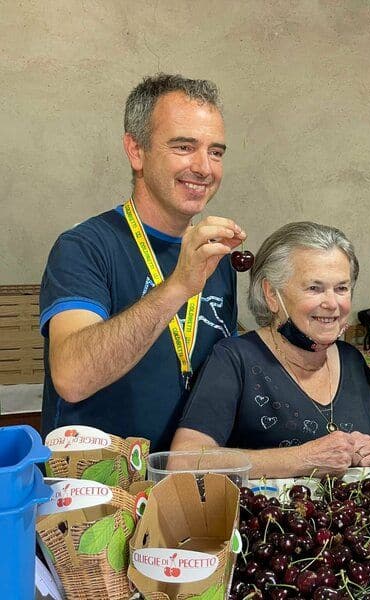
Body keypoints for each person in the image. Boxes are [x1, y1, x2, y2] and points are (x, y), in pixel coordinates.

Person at [39, 74, 246, 451]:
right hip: (99, 488)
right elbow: (72, 377)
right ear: (136, 151)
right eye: (184, 147)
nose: (204, 167)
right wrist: (179, 286)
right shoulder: (84, 247)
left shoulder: (214, 255)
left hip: (187, 479)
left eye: (216, 152)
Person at [172, 222, 370, 478]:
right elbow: (184, 461)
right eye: (314, 288)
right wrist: (302, 459)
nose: (332, 303)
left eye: (341, 288)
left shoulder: (352, 360)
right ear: (271, 294)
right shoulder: (235, 359)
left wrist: (369, 452)